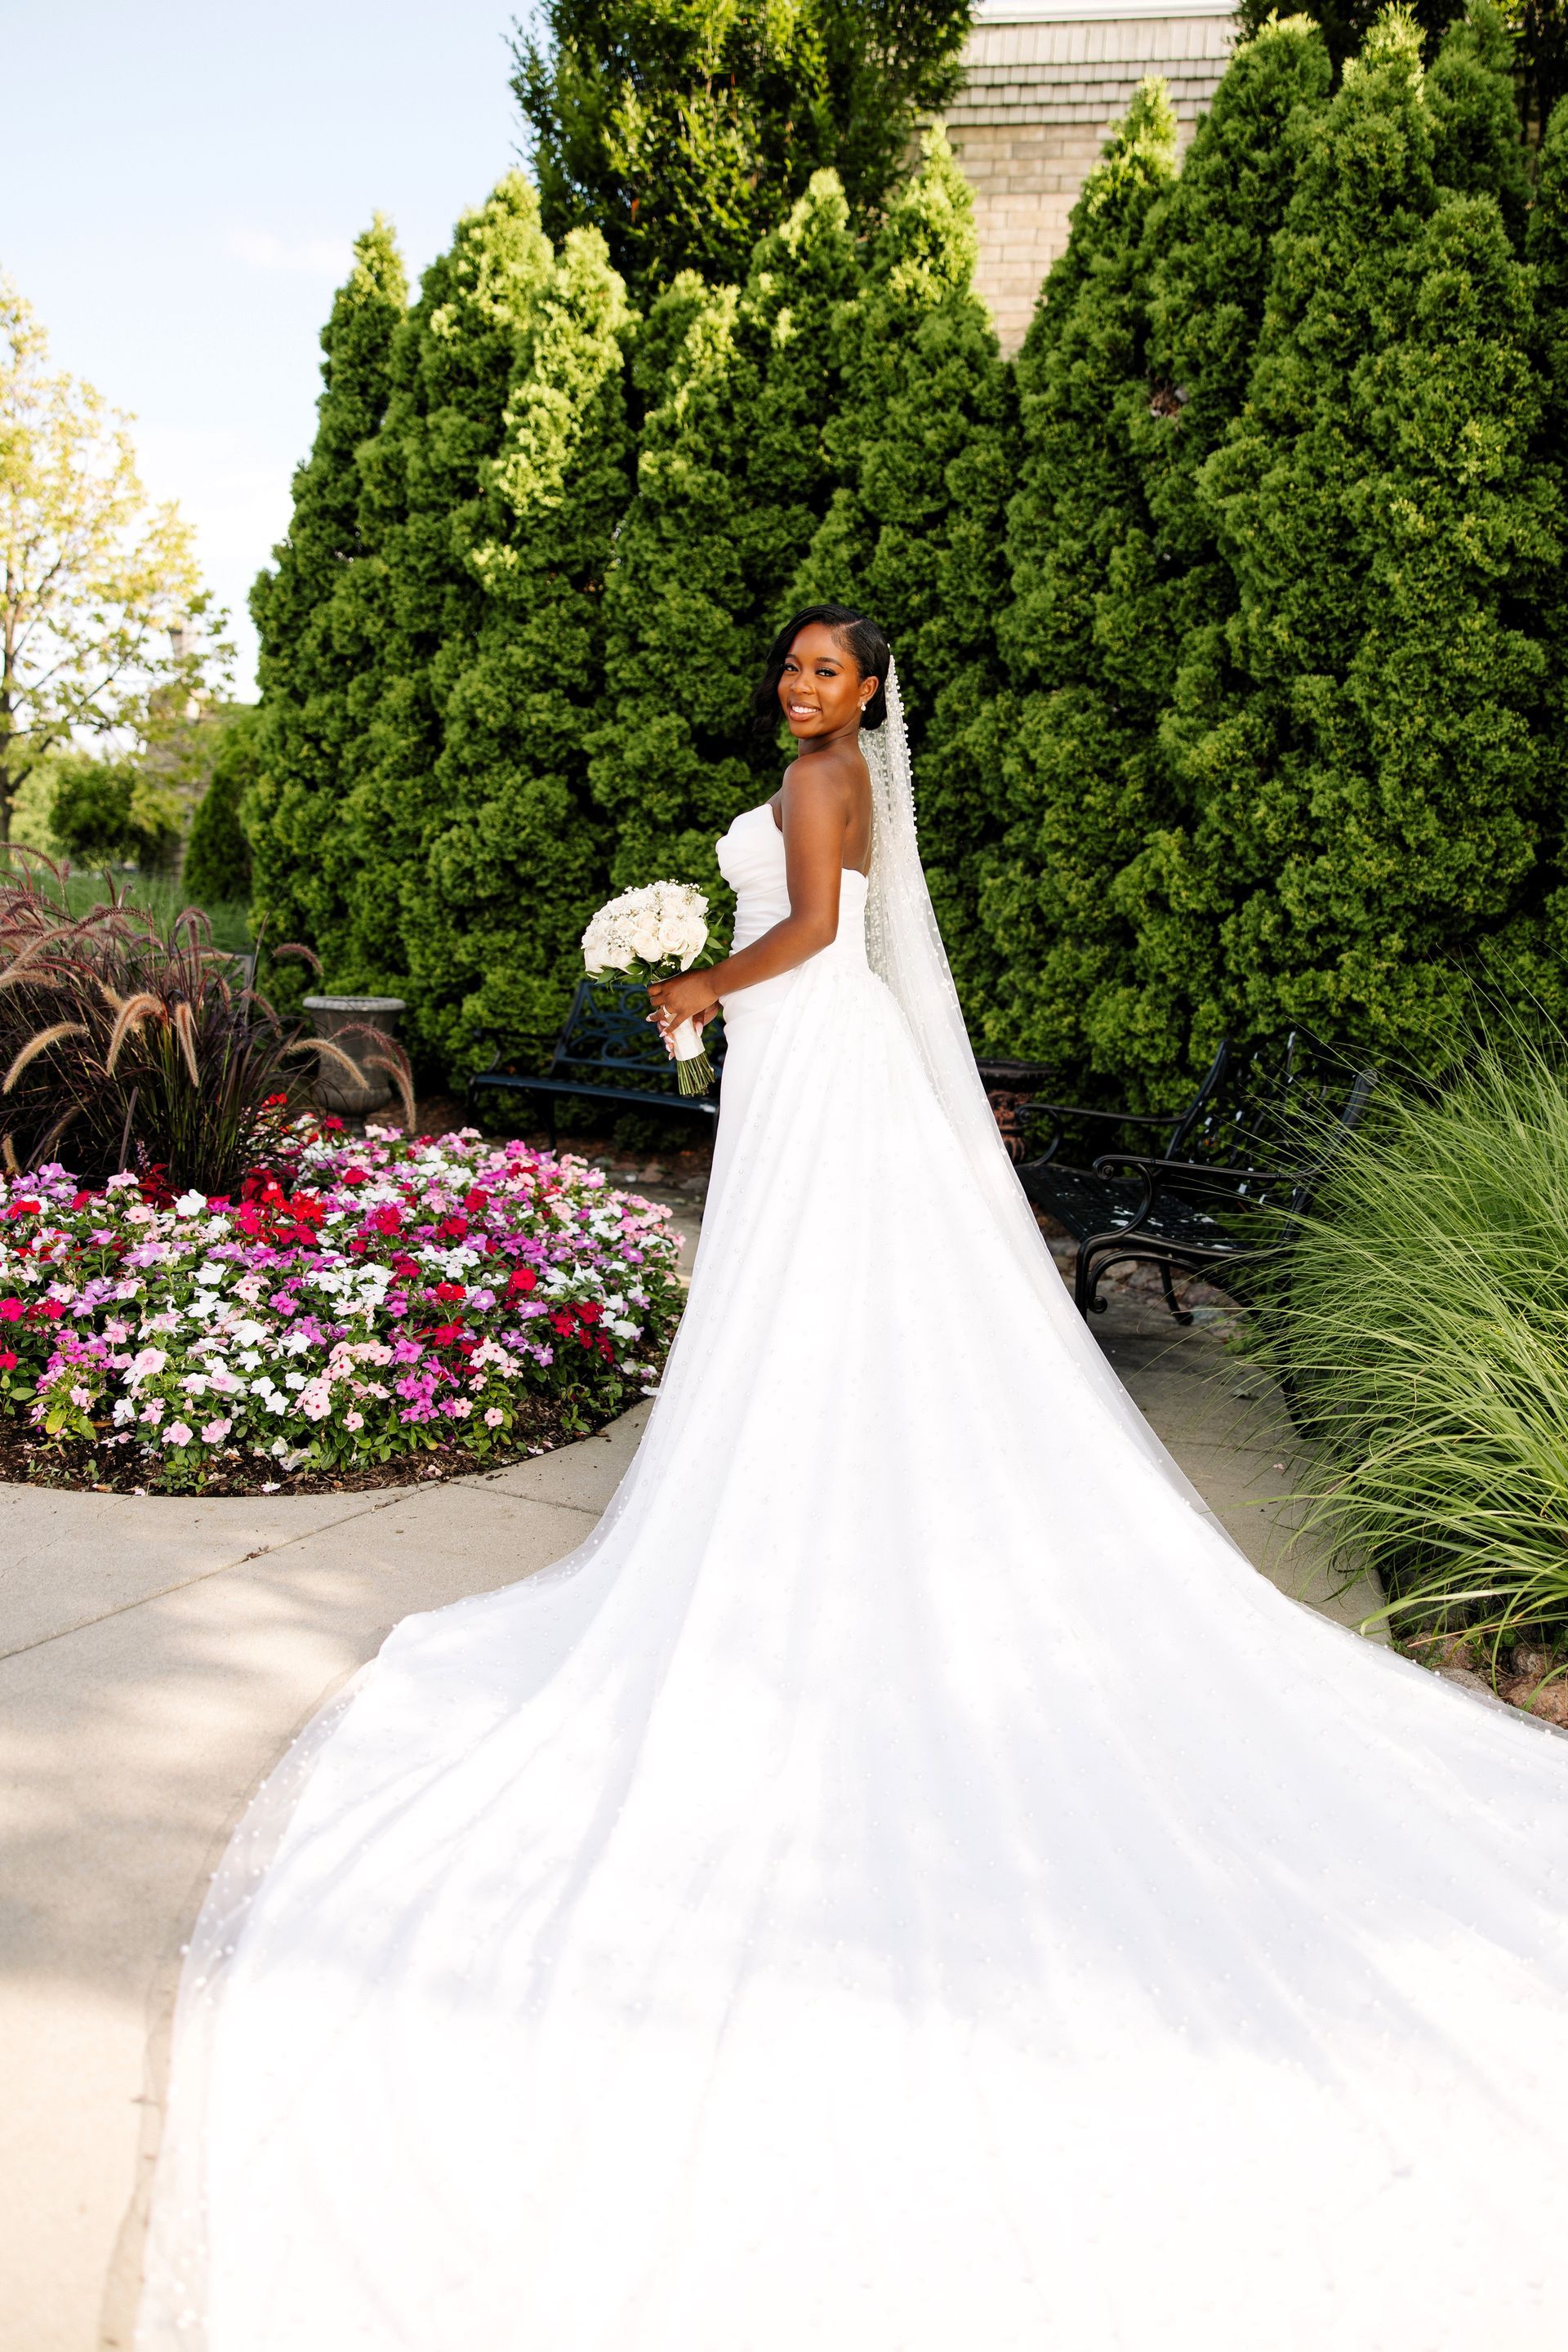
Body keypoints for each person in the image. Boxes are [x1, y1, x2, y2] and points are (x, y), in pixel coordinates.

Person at [140, 608, 1568, 2352]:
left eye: (828, 672)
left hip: (812, 1050)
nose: (801, 692)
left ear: (871, 697)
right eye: (794, 670)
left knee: (813, 1292)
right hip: (813, 1063)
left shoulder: (826, 784)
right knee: (805, 1301)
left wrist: (692, 981)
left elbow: (816, 930)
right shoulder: (816, 769)